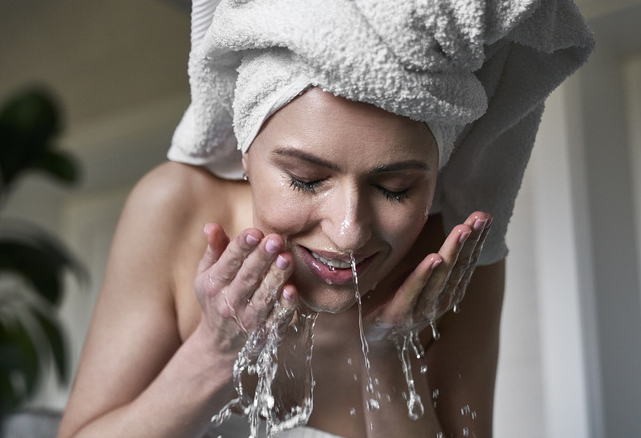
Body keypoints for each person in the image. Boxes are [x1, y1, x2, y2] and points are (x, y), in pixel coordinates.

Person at [57, 1, 593, 437]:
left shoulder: (448, 260)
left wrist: (389, 353)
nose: (349, 230)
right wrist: (215, 352)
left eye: (395, 188)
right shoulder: (173, 210)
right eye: (307, 180)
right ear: (245, 151)